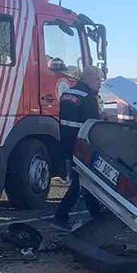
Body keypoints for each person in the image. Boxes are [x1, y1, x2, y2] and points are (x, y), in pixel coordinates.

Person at [54, 67, 105, 228]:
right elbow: (93, 127)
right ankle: (62, 214)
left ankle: (95, 213)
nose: (100, 84)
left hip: (67, 143)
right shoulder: (89, 98)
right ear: (88, 78)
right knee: (81, 181)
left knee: (82, 180)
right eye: (98, 79)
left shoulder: (68, 94)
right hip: (82, 146)